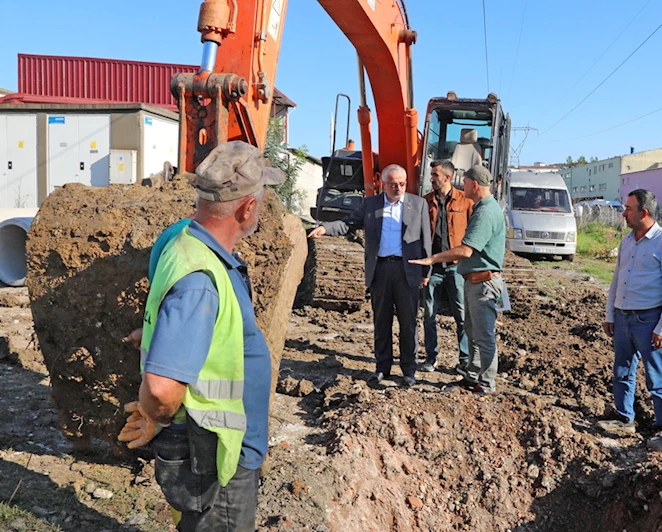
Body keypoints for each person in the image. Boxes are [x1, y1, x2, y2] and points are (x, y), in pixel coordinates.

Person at [117, 140, 285, 531]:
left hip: (208, 449)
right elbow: (161, 390)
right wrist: (156, 415)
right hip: (214, 459)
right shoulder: (201, 279)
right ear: (248, 207)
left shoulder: (183, 243)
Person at [308, 164, 431, 387]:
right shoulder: (370, 204)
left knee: (408, 324)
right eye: (393, 184)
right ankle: (382, 368)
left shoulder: (418, 204)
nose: (399, 188)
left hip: (408, 270)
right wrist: (326, 228)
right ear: (383, 184)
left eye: (402, 184)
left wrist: (426, 271)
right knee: (381, 322)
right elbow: (348, 225)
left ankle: (408, 371)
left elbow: (425, 240)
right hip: (381, 270)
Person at [599, 189, 662, 452]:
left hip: (650, 321)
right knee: (622, 371)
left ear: (643, 213)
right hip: (624, 319)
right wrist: (610, 313)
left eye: (628, 208)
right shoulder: (627, 241)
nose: (623, 213)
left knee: (657, 376)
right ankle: (625, 418)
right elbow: (617, 279)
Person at [410, 164, 505, 393]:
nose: (463, 186)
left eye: (466, 182)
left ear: (474, 184)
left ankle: (486, 384)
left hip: (483, 282)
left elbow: (466, 250)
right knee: (472, 332)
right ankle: (472, 376)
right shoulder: (484, 207)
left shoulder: (484, 211)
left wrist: (432, 259)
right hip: (474, 280)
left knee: (483, 336)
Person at [420, 159, 473, 373]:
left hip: (457, 267)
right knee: (428, 315)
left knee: (461, 315)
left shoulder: (465, 201)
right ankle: (431, 358)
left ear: (447, 177)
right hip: (433, 267)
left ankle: (465, 359)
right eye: (431, 175)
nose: (431, 178)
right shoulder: (425, 202)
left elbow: (473, 234)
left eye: (434, 175)